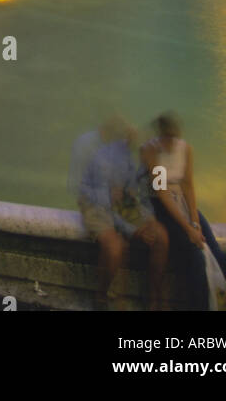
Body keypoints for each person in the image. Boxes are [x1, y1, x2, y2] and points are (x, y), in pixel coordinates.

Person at [141, 112, 226, 311]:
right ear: (160, 134)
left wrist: (195, 220)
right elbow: (161, 192)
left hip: (183, 203)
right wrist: (187, 228)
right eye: (167, 137)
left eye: (173, 138)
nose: (171, 142)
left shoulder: (185, 149)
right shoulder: (150, 151)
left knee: (215, 251)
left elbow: (188, 185)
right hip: (160, 204)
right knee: (194, 253)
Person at [74, 115, 168, 310]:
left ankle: (153, 297)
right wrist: (133, 230)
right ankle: (101, 297)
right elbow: (107, 204)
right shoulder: (104, 160)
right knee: (116, 247)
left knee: (162, 237)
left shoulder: (136, 159)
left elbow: (138, 197)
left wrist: (148, 220)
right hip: (95, 203)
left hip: (120, 203)